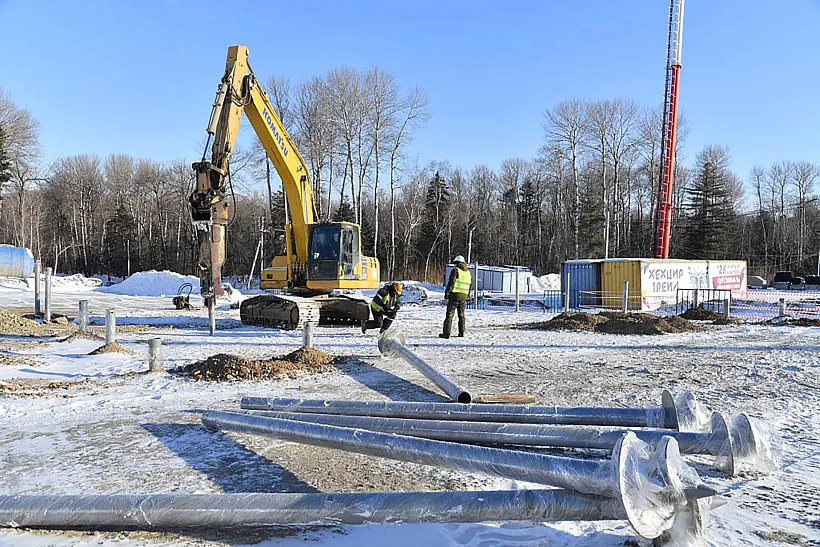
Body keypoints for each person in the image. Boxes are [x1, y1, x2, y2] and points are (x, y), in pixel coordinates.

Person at [440, 255, 472, 339]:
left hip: (455, 295)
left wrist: (447, 293)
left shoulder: (455, 270)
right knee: (461, 315)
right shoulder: (468, 273)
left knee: (450, 315)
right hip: (464, 296)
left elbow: (451, 283)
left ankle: (446, 333)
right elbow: (470, 286)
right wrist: (467, 295)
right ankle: (461, 332)